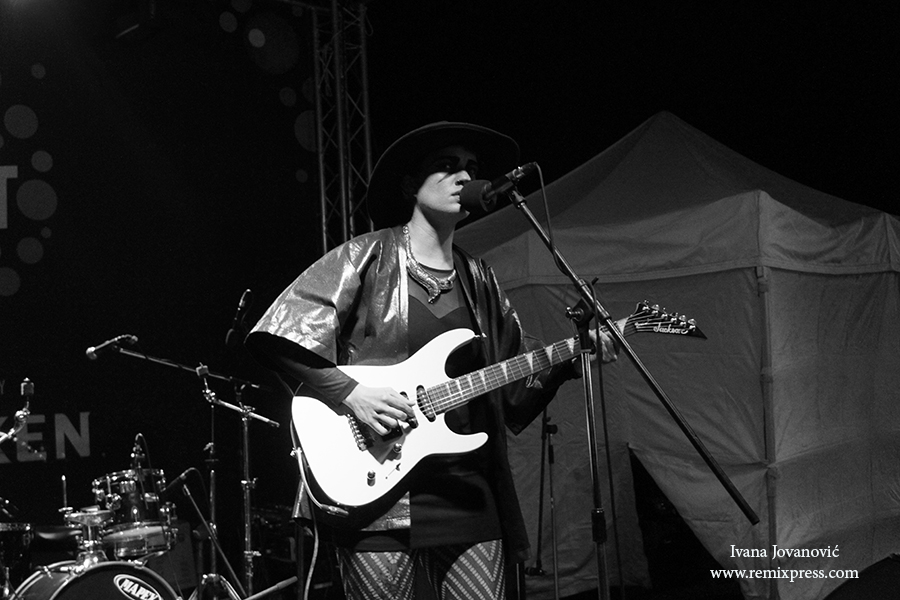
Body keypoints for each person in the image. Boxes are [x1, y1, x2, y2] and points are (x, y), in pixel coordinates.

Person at [245, 122, 617, 600]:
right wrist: (352, 394)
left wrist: (571, 359)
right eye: (447, 166)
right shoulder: (366, 256)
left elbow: (513, 394)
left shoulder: (479, 278)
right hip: (379, 493)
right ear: (409, 186)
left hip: (468, 492)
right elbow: (278, 336)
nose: (465, 177)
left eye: (472, 168)